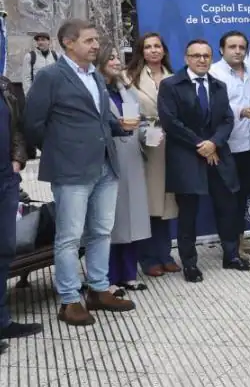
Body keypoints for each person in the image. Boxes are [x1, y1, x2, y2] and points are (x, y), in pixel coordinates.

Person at [24, 19, 139, 326]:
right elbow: (33, 123)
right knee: (69, 236)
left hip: (105, 163)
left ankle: (98, 289)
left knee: (101, 230)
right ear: (68, 43)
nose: (95, 46)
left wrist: (120, 128)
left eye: (96, 41)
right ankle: (69, 299)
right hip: (71, 169)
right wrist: (60, 152)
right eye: (89, 41)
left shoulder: (96, 77)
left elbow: (99, 119)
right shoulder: (51, 76)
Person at [158, 39, 250, 281]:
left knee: (227, 207)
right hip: (187, 157)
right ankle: (190, 264)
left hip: (217, 155)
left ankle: (231, 256)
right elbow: (170, 122)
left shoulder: (219, 86)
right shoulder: (171, 85)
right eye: (196, 55)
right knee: (188, 213)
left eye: (206, 56)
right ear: (186, 58)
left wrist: (214, 143)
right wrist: (201, 144)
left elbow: (227, 120)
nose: (202, 60)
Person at [125, 32, 180, 276]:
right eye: (148, 47)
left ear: (164, 50)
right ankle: (148, 258)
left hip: (172, 144)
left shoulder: (175, 77)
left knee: (167, 202)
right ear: (141, 51)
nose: (154, 50)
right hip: (144, 144)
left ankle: (165, 253)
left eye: (158, 46)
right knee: (148, 203)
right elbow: (125, 112)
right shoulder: (129, 78)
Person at [99, 42, 151, 292]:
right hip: (108, 158)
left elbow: (137, 123)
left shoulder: (125, 91)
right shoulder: (96, 90)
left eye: (118, 58)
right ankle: (107, 279)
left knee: (131, 218)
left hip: (131, 157)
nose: (117, 63)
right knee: (109, 219)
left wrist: (148, 135)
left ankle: (129, 274)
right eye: (110, 59)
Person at [209, 30, 250, 256]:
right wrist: (240, 110)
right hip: (228, 144)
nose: (238, 51)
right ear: (222, 49)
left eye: (242, 47)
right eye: (232, 47)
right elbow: (212, 107)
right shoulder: (214, 72)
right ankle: (229, 245)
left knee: (244, 194)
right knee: (227, 198)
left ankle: (240, 239)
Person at [0, 70, 40, 344]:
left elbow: (15, 128)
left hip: (5, 178)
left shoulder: (4, 85)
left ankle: (2, 321)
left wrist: (17, 160)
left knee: (4, 249)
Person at [22, 32, 58, 97]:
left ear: (49, 41)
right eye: (38, 40)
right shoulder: (30, 56)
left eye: (43, 40)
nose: (40, 42)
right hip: (37, 95)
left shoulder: (56, 56)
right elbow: (26, 78)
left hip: (53, 95)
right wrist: (29, 96)